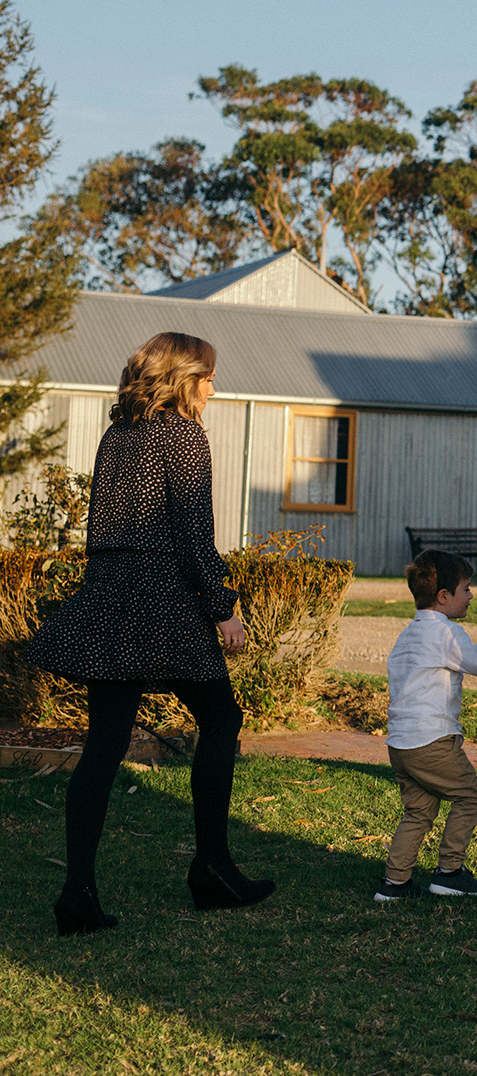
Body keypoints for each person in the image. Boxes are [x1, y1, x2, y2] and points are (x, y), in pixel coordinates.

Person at [31, 331, 273, 936]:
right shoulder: (184, 435)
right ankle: (212, 869)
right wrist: (223, 608)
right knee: (221, 719)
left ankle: (77, 894)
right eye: (209, 377)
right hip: (161, 600)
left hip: (111, 596)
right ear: (184, 377)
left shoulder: (118, 434)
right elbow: (193, 538)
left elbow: (102, 529)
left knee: (103, 746)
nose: (214, 389)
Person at [375, 548, 477, 901]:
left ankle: (395, 884)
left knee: (418, 810)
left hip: (400, 744)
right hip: (431, 740)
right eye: (466, 588)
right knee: (470, 796)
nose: (471, 595)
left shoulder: (407, 635)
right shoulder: (445, 632)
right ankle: (449, 872)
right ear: (444, 596)